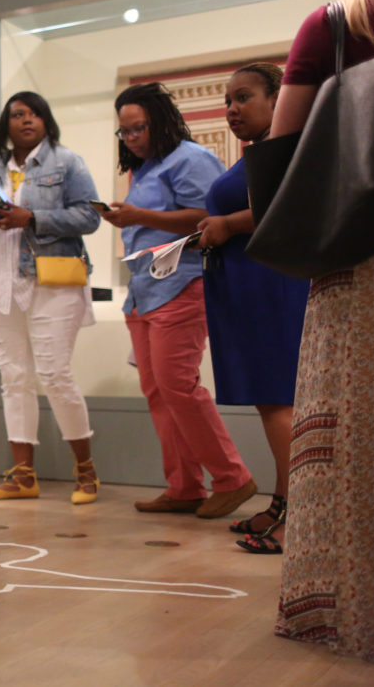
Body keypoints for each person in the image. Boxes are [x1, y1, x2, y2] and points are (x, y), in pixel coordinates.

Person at [269, 0, 374, 662]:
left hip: (360, 251)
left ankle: (354, 603)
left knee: (353, 433)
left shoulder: (333, 26)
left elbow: (281, 148)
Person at [101, 82, 255, 519]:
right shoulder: (144, 168)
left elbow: (208, 219)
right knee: (158, 391)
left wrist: (137, 216)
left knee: (178, 387)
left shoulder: (191, 158)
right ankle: (184, 486)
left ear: (160, 122)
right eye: (124, 133)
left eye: (138, 129)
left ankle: (233, 479)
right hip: (146, 292)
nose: (131, 138)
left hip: (182, 284)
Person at [0, 91, 101, 503]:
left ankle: (86, 473)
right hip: (1, 282)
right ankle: (23, 476)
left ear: (46, 120)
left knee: (56, 374)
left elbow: (90, 215)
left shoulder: (67, 162)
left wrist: (33, 218)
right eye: (18, 114)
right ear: (6, 123)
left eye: (35, 114)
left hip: (52, 281)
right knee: (13, 379)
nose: (27, 120)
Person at [196, 63, 308, 553]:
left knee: (280, 402)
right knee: (272, 402)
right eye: (228, 101)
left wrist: (228, 225)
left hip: (272, 285)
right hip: (249, 285)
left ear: (277, 98)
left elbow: (295, 205)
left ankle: (300, 518)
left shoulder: (288, 149)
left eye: (243, 98)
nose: (232, 109)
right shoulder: (260, 152)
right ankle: (284, 501)